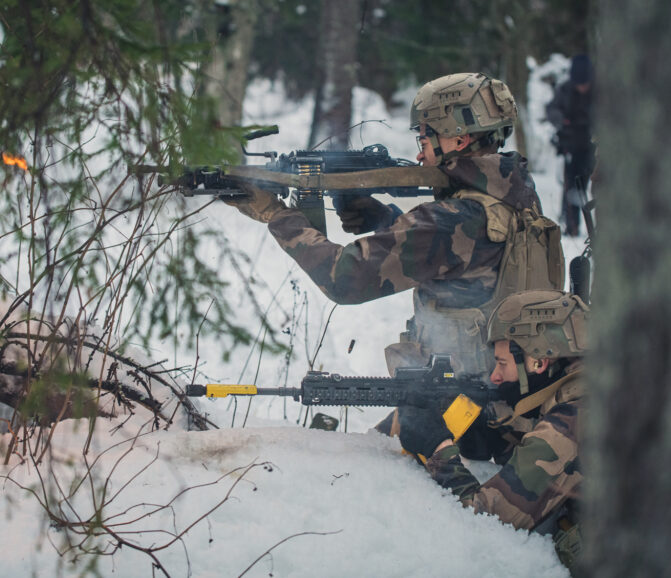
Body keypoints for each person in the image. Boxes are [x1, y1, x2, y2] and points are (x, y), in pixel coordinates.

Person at [225, 73, 563, 403]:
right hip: (509, 393)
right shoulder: (517, 193)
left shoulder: (451, 219)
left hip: (463, 401)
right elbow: (469, 257)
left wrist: (277, 215)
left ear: (458, 140)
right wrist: (386, 219)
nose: (419, 155)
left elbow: (345, 278)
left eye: (426, 140)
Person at [397, 289, 588, 569]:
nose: (495, 377)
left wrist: (437, 447)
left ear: (538, 362)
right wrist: (496, 439)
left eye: (501, 364)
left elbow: (485, 519)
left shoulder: (570, 424)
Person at [546, 54, 596, 237]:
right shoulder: (565, 90)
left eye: (585, 83)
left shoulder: (600, 90)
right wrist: (561, 120)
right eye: (579, 83)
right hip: (571, 146)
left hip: (593, 146)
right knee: (571, 188)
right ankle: (572, 227)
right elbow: (551, 110)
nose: (582, 87)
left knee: (594, 186)